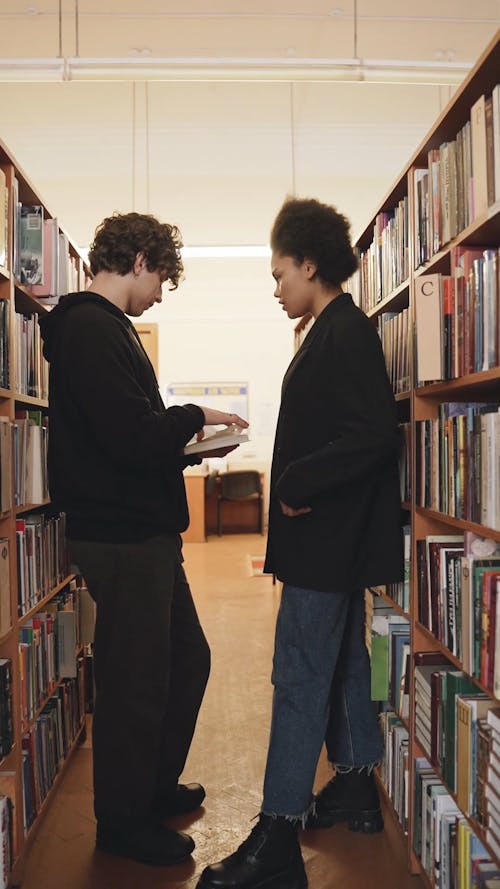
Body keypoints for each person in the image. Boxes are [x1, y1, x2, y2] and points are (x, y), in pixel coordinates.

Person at [197, 197, 404, 889]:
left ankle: (277, 834)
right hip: (333, 542)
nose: (277, 284)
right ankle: (353, 785)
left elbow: (373, 434)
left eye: (281, 271)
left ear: (311, 265)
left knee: (297, 676)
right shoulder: (332, 326)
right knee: (344, 662)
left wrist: (296, 479)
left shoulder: (343, 332)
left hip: (326, 541)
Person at [38, 211, 248, 868]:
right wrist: (198, 416)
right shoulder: (90, 331)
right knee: (136, 680)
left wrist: (185, 447)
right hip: (124, 538)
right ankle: (124, 823)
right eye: (160, 277)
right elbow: (134, 437)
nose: (160, 291)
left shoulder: (105, 332)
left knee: (185, 660)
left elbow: (124, 443)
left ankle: (151, 785)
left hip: (143, 531)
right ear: (136, 260)